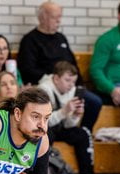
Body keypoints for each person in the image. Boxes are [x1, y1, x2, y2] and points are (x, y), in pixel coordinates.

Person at [17, 1, 102, 132]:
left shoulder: (61, 38)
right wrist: (54, 80)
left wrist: (78, 84)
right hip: (48, 86)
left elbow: (73, 64)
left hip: (69, 85)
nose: (59, 21)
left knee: (94, 101)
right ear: (43, 17)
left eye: (60, 17)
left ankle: (85, 131)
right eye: (55, 17)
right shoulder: (30, 40)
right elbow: (27, 70)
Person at [39, 61, 94, 174]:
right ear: (56, 78)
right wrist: (64, 111)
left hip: (59, 126)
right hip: (46, 128)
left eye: (73, 81)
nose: (71, 85)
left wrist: (75, 115)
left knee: (83, 133)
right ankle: (47, 173)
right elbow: (42, 122)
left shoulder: (71, 90)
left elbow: (68, 125)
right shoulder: (43, 90)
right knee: (45, 134)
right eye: (67, 80)